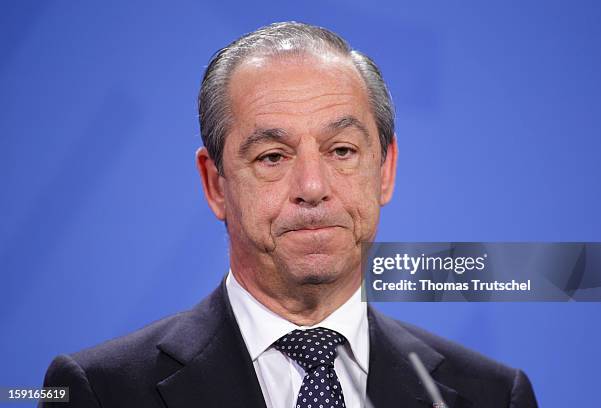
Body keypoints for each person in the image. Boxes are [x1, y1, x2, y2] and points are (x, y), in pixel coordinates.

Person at [40, 22, 538, 408]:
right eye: (272, 157)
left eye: (342, 151)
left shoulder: (492, 394)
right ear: (215, 183)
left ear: (385, 170)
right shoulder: (101, 392)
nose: (313, 188)